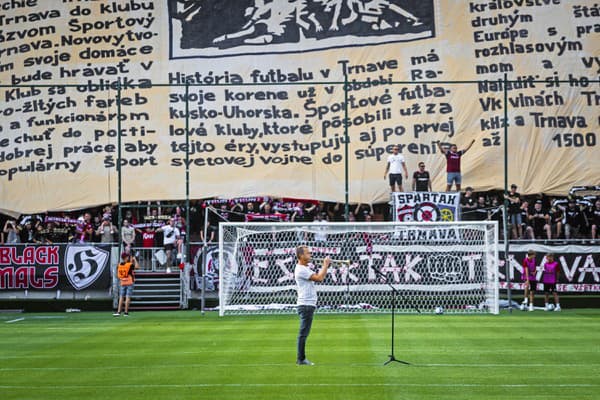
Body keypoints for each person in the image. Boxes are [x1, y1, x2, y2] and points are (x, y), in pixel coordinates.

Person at [294, 246, 330, 366]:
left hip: (307, 304)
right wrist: (325, 265)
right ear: (301, 256)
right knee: (303, 333)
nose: (310, 255)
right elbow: (319, 278)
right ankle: (301, 359)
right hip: (305, 305)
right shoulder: (301, 269)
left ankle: (301, 358)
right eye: (308, 254)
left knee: (304, 333)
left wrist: (325, 266)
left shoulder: (304, 268)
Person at [114, 252, 139, 316]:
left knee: (121, 297)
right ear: (126, 257)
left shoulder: (119, 264)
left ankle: (118, 312)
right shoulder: (129, 265)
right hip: (130, 282)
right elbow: (137, 267)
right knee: (127, 297)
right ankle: (126, 312)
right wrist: (135, 259)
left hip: (122, 282)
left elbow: (117, 274)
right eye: (127, 256)